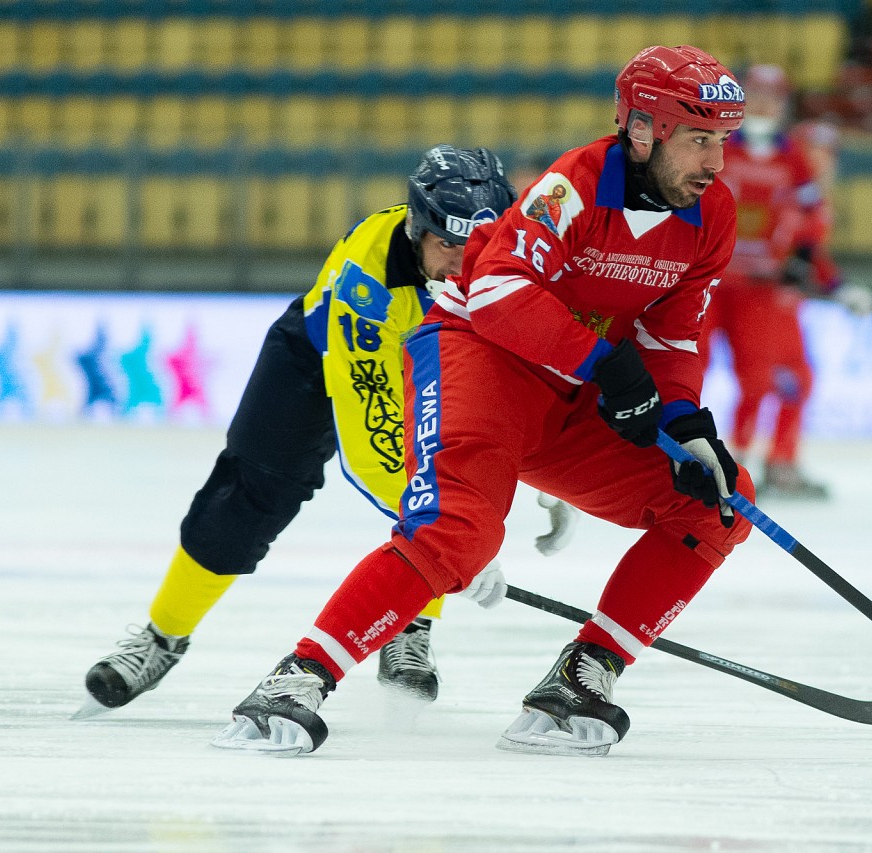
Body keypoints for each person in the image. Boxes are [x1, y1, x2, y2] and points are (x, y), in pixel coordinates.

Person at [211, 44, 756, 758]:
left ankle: (580, 678)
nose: (715, 162)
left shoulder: (710, 215)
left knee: (721, 498)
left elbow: (673, 334)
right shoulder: (575, 186)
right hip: (480, 358)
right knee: (459, 533)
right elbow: (498, 295)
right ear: (644, 129)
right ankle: (295, 680)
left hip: (570, 390)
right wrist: (609, 367)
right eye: (698, 139)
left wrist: (683, 419)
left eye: (721, 141)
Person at [77, 145, 578, 716]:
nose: (464, 267)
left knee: (450, 470)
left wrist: (551, 475)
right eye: (448, 246)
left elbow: (541, 366)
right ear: (417, 230)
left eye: (477, 248)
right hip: (319, 359)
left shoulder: (520, 261)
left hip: (439, 358)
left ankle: (410, 622)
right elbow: (374, 451)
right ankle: (162, 636)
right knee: (248, 497)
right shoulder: (370, 281)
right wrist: (459, 542)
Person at [705, 64, 872, 501]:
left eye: (773, 95)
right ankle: (726, 462)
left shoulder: (792, 160)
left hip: (762, 290)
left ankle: (748, 464)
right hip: (706, 283)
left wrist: (832, 282)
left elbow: (806, 235)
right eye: (756, 93)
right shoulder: (715, 146)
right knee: (686, 373)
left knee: (769, 380)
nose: (764, 103)